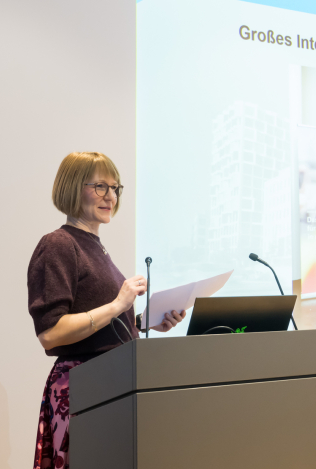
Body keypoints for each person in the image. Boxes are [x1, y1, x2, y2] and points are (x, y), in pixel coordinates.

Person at [28, 152, 186, 469]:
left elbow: (100, 325)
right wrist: (117, 305)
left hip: (111, 384)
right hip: (83, 389)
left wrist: (145, 322)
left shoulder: (95, 246)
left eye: (115, 188)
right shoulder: (58, 244)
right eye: (100, 186)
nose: (111, 196)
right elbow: (51, 332)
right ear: (73, 187)